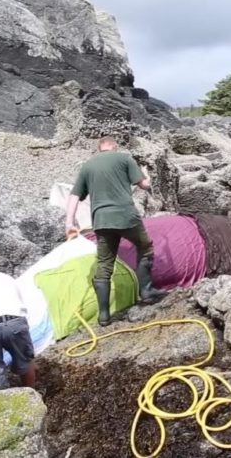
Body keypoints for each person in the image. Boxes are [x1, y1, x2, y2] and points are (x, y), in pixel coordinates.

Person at [65, 136, 166, 326]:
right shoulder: (124, 159)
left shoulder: (87, 166)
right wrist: (146, 174)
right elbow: (144, 185)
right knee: (145, 247)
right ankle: (146, 290)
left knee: (104, 263)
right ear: (114, 146)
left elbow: (75, 195)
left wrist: (69, 222)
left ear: (100, 147)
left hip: (102, 220)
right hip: (126, 216)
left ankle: (103, 315)